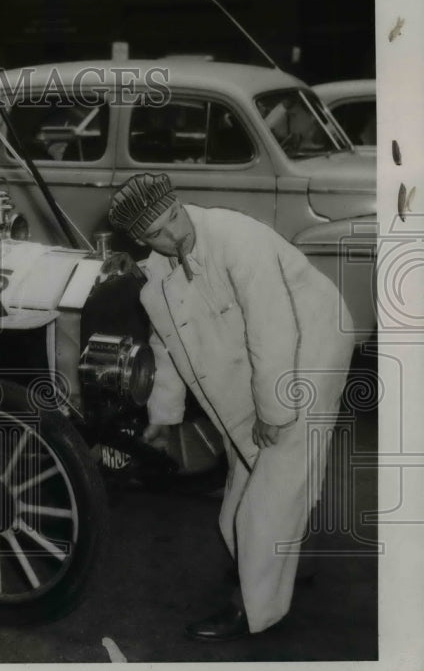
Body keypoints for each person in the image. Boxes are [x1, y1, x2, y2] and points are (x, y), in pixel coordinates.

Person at [107, 172, 355, 641]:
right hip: (266, 348)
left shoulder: (236, 237)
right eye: (158, 232)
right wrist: (164, 418)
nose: (175, 233)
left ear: (179, 203)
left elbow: (273, 327)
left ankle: (250, 608)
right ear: (142, 239)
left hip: (316, 334)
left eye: (174, 217)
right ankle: (286, 560)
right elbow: (170, 346)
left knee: (269, 485)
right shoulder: (156, 281)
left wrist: (275, 410)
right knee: (254, 463)